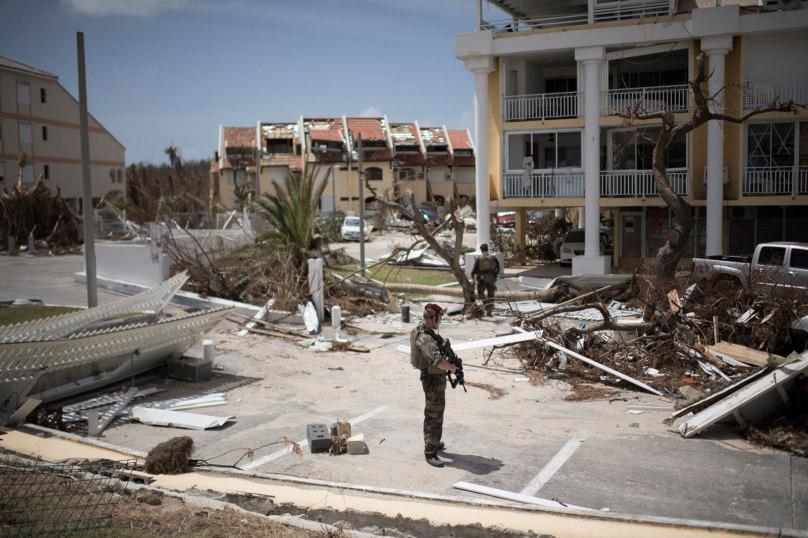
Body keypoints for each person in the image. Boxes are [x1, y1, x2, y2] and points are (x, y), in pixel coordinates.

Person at [410, 303, 457, 468]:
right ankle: (430, 451)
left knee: (434, 414)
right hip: (432, 382)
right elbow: (437, 362)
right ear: (433, 318)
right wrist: (451, 368)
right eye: (439, 319)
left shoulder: (426, 333)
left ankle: (434, 440)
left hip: (434, 380)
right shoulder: (425, 338)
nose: (440, 322)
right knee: (434, 417)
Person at [471, 244, 500, 316]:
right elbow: (498, 267)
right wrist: (494, 275)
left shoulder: (479, 258)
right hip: (491, 279)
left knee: (480, 293)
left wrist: (472, 275)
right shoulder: (493, 258)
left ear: (481, 250)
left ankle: (486, 304)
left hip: (482, 279)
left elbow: (475, 269)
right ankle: (489, 311)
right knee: (491, 295)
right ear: (487, 249)